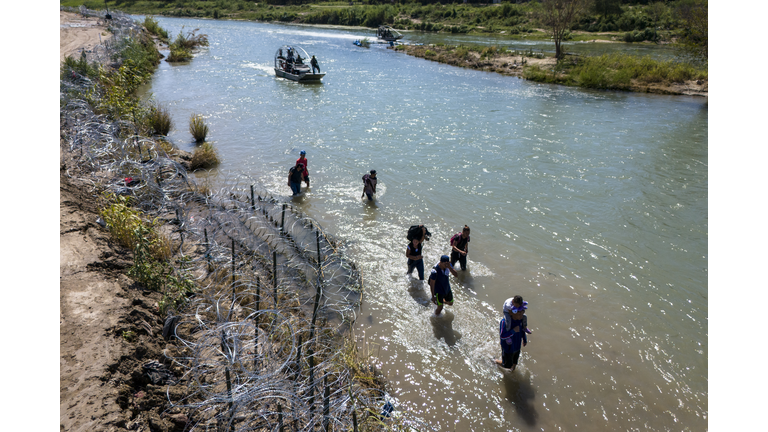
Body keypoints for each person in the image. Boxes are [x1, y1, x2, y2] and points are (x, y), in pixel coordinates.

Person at [495, 296, 529, 371]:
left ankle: (512, 371)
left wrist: (524, 339)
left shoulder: (520, 320)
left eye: (522, 314)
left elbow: (522, 330)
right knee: (507, 365)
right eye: (519, 314)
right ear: (511, 312)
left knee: (514, 363)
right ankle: (495, 361)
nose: (521, 316)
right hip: (508, 348)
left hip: (517, 346)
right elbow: (502, 336)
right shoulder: (505, 322)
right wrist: (513, 331)